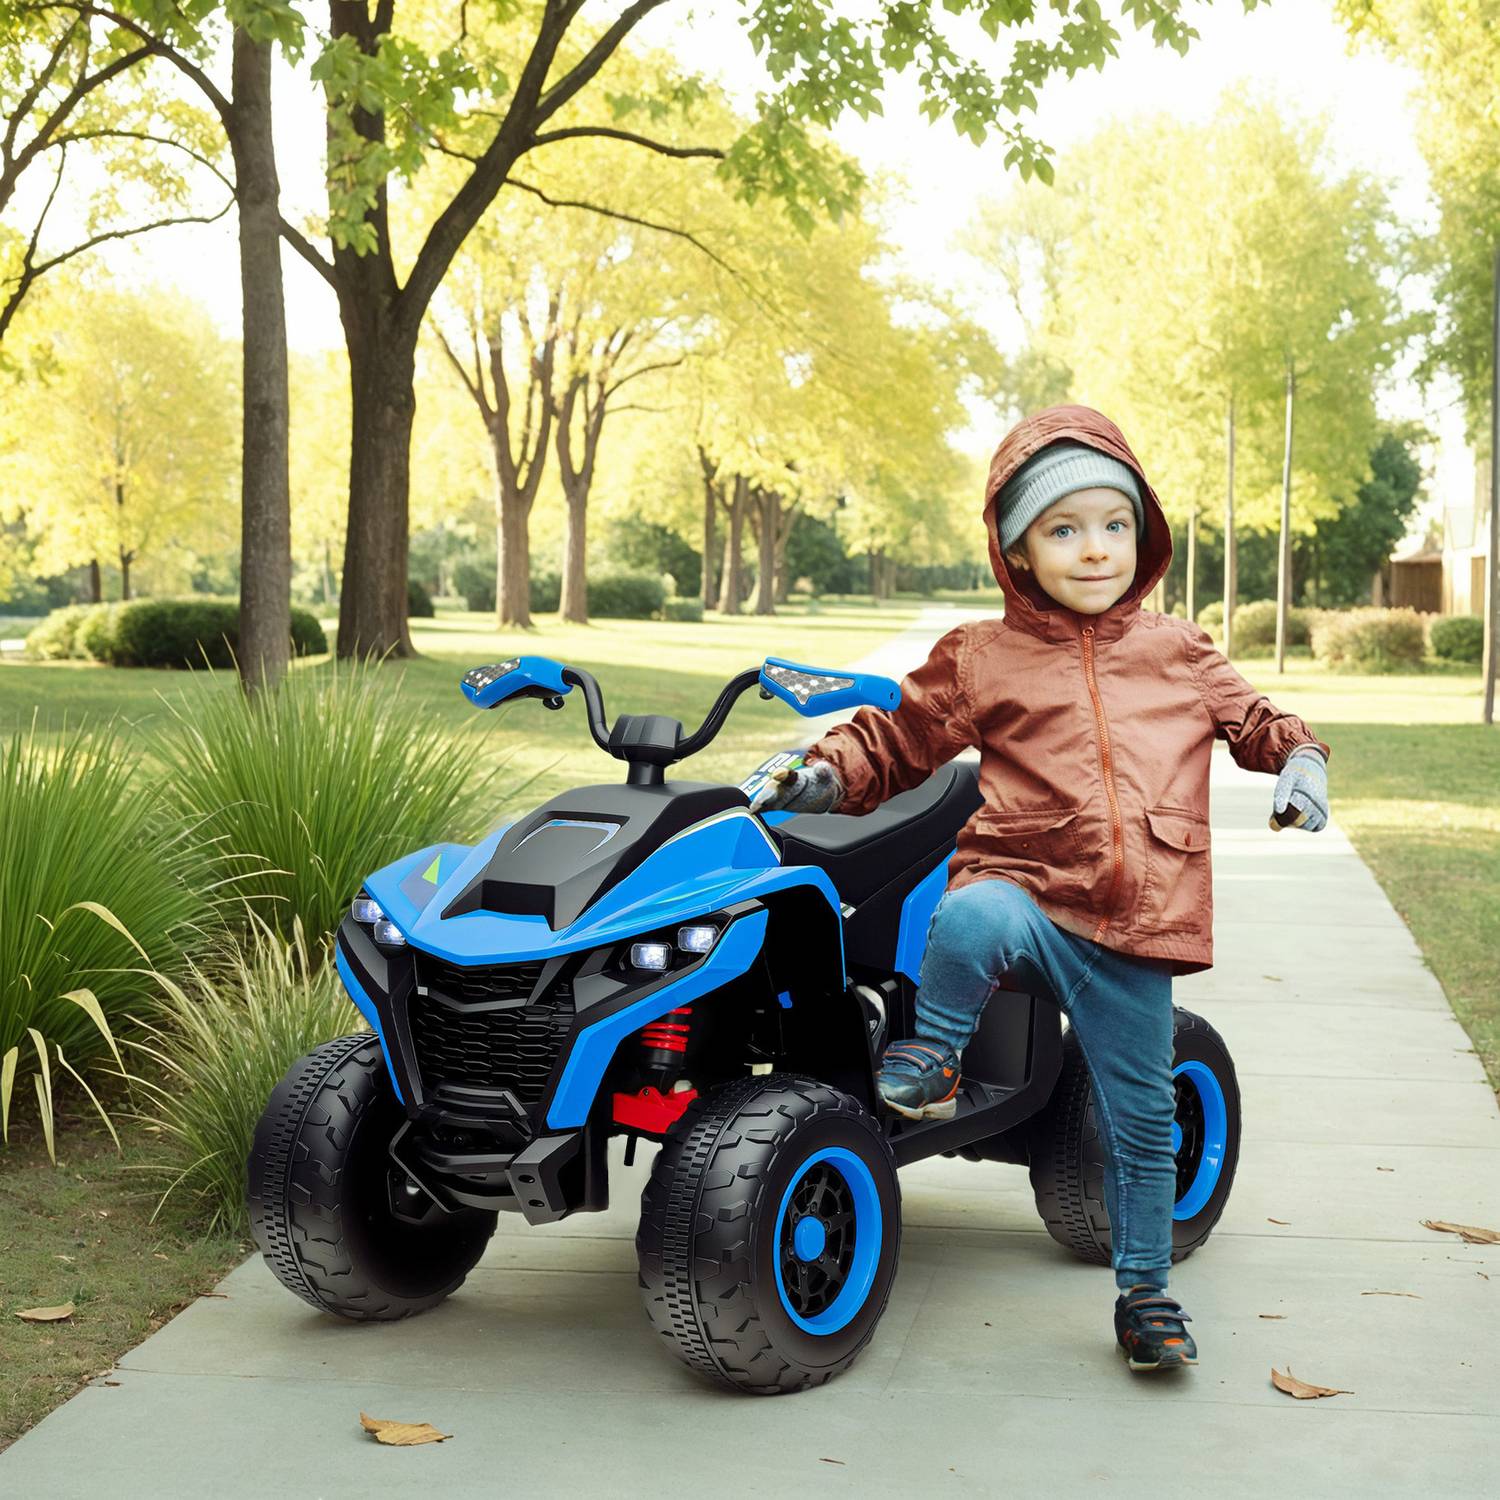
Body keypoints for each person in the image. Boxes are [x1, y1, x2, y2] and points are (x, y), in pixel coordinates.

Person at [747, 404, 1331, 1374]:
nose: (1094, 549)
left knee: (1142, 1124)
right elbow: (898, 736)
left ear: (1143, 534)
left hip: (1139, 920)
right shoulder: (985, 655)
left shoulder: (1180, 652)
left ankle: (1145, 1291)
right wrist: (823, 773)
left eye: (1113, 524)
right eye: (1062, 529)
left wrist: (1300, 762)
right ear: (1017, 550)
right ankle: (933, 1054)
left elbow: (1258, 720)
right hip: (1030, 884)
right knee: (971, 911)